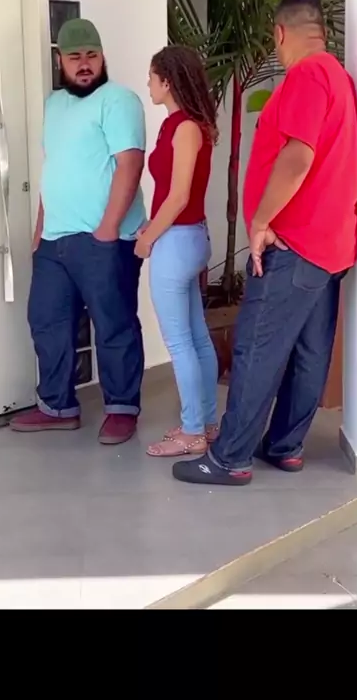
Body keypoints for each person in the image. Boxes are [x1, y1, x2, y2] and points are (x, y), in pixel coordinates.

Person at [172, 0, 357, 486]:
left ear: (280, 33)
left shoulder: (307, 75)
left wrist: (259, 221)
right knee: (309, 353)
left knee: (257, 348)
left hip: (294, 243)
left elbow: (298, 157)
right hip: (330, 245)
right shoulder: (340, 78)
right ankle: (285, 446)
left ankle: (229, 458)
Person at [10, 18, 146, 445]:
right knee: (46, 320)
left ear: (102, 56)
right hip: (55, 239)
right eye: (75, 57)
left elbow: (130, 164)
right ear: (60, 61)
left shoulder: (118, 100)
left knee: (113, 323)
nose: (84, 65)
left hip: (104, 239)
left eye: (92, 55)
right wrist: (40, 231)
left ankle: (122, 408)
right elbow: (56, 169)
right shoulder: (53, 105)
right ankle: (57, 406)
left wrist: (108, 229)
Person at [133, 45, 219, 457]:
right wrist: (152, 226)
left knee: (181, 343)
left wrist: (149, 237)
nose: (148, 84)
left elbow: (180, 195)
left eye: (152, 77)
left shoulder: (184, 128)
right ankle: (205, 423)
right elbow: (172, 192)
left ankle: (193, 431)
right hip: (187, 238)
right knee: (197, 337)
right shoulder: (181, 125)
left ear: (167, 81)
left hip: (178, 242)